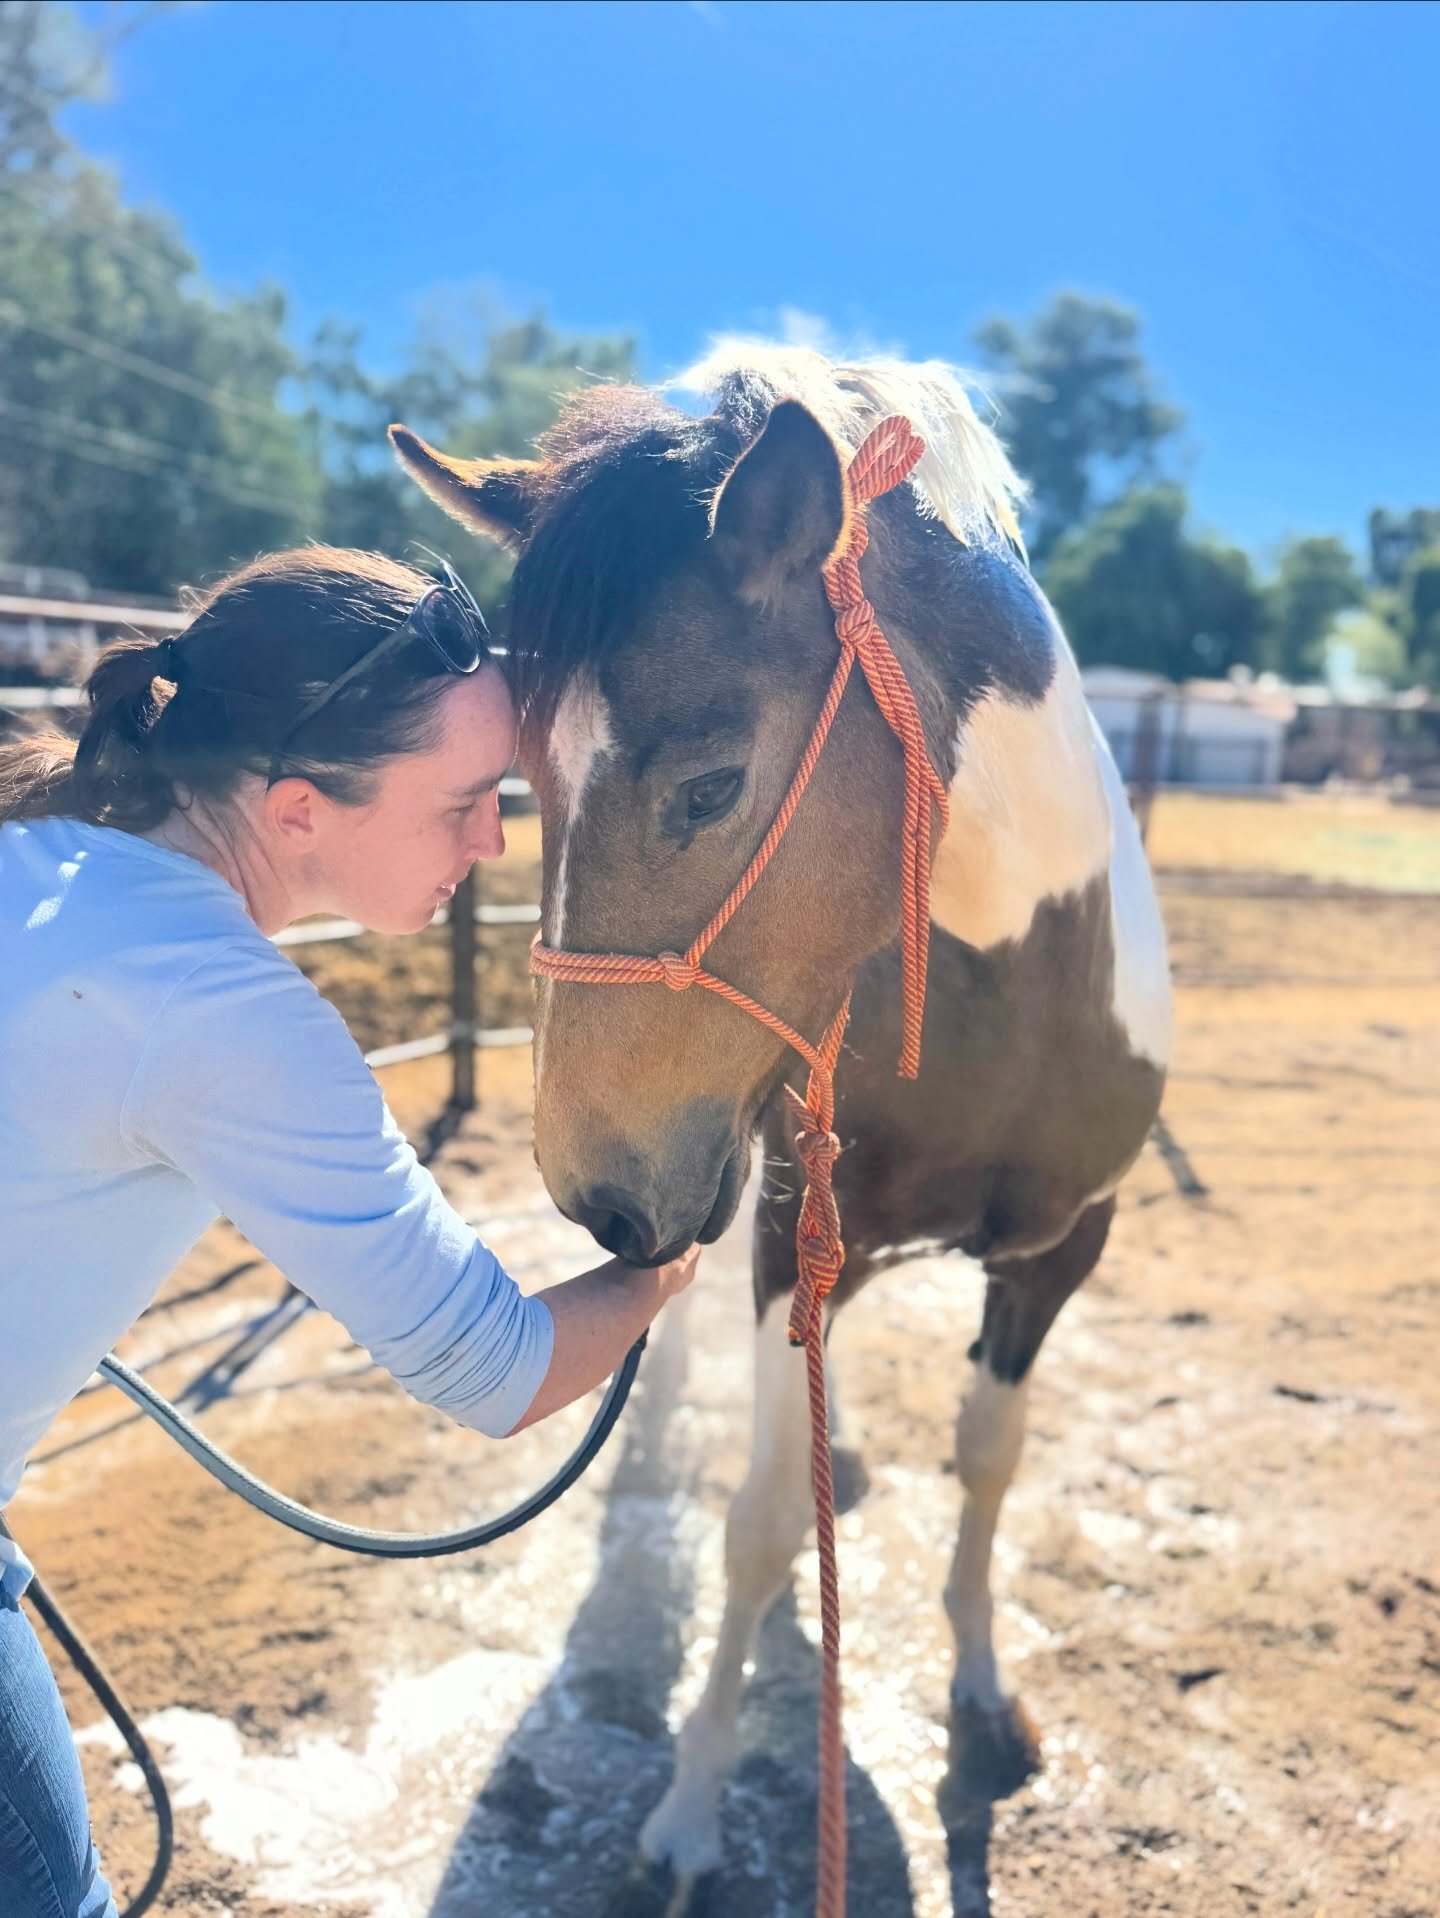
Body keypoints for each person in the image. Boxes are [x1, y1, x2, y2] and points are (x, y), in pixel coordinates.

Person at [0, 546, 699, 1918]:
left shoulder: (40, 857)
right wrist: (677, 1242)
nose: (494, 843)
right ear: (301, 808)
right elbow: (498, 1371)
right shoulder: (226, 1012)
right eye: (463, 803)